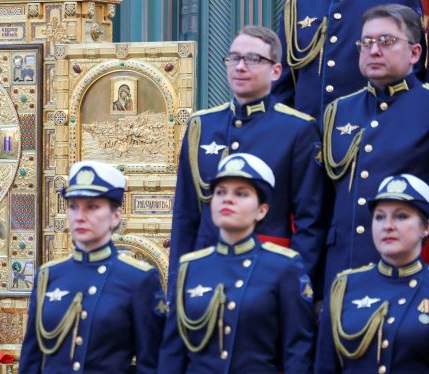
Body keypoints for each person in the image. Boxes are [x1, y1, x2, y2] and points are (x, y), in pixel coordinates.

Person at [169, 25, 327, 296]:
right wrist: (177, 285)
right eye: (234, 58)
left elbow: (310, 221)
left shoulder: (298, 129)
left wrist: (294, 286)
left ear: (276, 71)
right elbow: (185, 215)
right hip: (203, 276)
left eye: (253, 59)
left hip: (267, 279)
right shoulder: (202, 125)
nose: (240, 67)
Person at [159, 153, 316, 373]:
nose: (228, 199)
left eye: (241, 193)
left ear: (262, 210)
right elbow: (172, 354)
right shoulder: (191, 268)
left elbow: (296, 353)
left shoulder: (284, 268)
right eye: (220, 192)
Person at [19, 160, 165, 373]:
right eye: (73, 206)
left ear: (115, 216)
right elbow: (31, 361)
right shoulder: (49, 275)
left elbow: (152, 363)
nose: (80, 216)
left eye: (92, 207)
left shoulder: (138, 279)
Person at [322, 4, 429, 291]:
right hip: (341, 272)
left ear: (415, 53)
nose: (374, 50)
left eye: (387, 41)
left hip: (410, 280)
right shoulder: (338, 112)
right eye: (366, 43)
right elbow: (320, 208)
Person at [316, 174, 429, 373]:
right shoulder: (345, 287)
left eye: (401, 216)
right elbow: (326, 366)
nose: (388, 226)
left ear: (426, 227)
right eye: (379, 217)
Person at [274, 0, 425, 120]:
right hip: (308, 137)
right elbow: (283, 84)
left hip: (372, 131)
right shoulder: (299, 4)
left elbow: (414, 75)